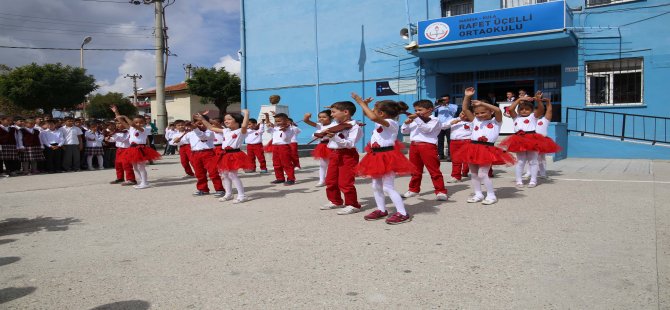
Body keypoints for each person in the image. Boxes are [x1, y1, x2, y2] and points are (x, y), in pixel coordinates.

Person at [352, 93, 415, 224]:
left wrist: (360, 102)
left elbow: (372, 116)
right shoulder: (381, 120)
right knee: (376, 185)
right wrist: (367, 106)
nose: (372, 113)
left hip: (388, 156)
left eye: (375, 110)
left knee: (388, 187)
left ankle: (403, 213)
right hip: (376, 156)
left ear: (381, 113)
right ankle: (382, 210)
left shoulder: (391, 122)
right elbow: (369, 115)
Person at [457, 87, 516, 205]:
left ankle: (491, 195)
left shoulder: (496, 121)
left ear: (491, 112)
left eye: (483, 112)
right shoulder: (475, 120)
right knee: (473, 174)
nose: (480, 115)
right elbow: (464, 108)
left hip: (486, 149)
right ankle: (478, 194)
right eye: (477, 113)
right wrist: (467, 96)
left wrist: (482, 103)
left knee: (482, 174)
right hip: (472, 148)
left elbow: (498, 111)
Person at [501, 91, 560, 188]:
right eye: (522, 109)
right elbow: (511, 109)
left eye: (527, 109)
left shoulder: (533, 116)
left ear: (532, 111)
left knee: (533, 161)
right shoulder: (516, 117)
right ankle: (519, 180)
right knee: (520, 162)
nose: (524, 111)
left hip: (532, 139)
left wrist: (538, 100)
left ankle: (533, 180)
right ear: (518, 110)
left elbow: (541, 110)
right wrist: (520, 99)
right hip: (519, 139)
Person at [319, 101, 363, 215]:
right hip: (334, 153)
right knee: (330, 179)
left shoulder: (355, 126)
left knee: (345, 181)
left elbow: (350, 144)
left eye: (333, 112)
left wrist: (334, 138)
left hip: (348, 154)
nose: (331, 115)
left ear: (346, 112)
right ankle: (336, 201)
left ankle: (353, 204)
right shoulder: (335, 124)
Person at [199, 110, 253, 203]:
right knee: (224, 175)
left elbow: (244, 125)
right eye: (225, 119)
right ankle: (228, 194)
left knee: (232, 174)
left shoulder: (241, 131)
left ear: (237, 120)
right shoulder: (226, 130)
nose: (226, 121)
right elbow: (211, 128)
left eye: (229, 119)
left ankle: (242, 195)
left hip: (234, 154)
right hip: (225, 154)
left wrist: (247, 114)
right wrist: (202, 119)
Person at [400, 100, 448, 201]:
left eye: (420, 110)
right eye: (415, 110)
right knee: (415, 170)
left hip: (428, 146)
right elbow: (404, 131)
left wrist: (417, 119)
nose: (416, 112)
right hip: (414, 146)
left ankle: (440, 191)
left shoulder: (435, 120)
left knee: (434, 170)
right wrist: (406, 123)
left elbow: (427, 129)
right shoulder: (416, 119)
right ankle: (413, 189)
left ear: (430, 109)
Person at [111, 105, 161, 189]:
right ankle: (143, 181)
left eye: (141, 122)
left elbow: (132, 124)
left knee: (141, 167)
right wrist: (116, 112)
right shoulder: (131, 129)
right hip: (132, 149)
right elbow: (121, 120)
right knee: (135, 167)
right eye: (137, 122)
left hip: (140, 148)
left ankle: (144, 183)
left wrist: (125, 116)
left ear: (145, 123)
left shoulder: (144, 129)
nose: (139, 124)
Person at [177, 115, 225, 197]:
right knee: (199, 173)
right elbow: (181, 142)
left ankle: (219, 189)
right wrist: (178, 139)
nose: (201, 125)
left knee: (213, 172)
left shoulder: (209, 132)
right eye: (198, 123)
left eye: (203, 123)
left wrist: (195, 128)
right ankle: (203, 189)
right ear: (194, 123)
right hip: (195, 154)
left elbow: (203, 137)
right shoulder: (190, 133)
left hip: (208, 153)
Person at [303, 110, 336, 187]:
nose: (321, 119)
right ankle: (322, 180)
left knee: (333, 164)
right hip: (323, 146)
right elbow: (306, 121)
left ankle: (333, 179)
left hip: (333, 145)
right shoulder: (319, 125)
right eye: (320, 117)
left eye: (324, 117)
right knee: (323, 164)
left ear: (331, 117)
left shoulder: (335, 124)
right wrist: (307, 116)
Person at [266, 112, 296, 185]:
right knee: (276, 163)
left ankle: (291, 179)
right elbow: (268, 127)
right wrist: (268, 122)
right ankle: (280, 178)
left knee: (286, 163)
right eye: (276, 121)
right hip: (275, 147)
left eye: (279, 121)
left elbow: (286, 137)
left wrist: (285, 129)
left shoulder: (290, 129)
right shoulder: (275, 128)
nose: (277, 123)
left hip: (284, 147)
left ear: (286, 121)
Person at [107, 121, 136, 185]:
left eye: (120, 123)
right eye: (117, 123)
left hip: (126, 149)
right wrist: (109, 139)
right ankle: (120, 178)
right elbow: (115, 140)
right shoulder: (117, 132)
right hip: (119, 149)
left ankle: (131, 179)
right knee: (118, 164)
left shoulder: (128, 131)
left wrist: (113, 134)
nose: (117, 125)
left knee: (126, 165)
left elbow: (122, 139)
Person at [447, 112, 472, 183]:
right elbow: (442, 126)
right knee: (455, 159)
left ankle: (465, 171)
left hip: (466, 141)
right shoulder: (453, 120)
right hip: (454, 142)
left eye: (465, 114)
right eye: (461, 113)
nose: (462, 115)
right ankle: (456, 176)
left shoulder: (473, 121)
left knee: (466, 159)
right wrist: (451, 123)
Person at [434, 94, 458, 161]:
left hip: (450, 125)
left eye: (445, 99)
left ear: (449, 99)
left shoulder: (453, 106)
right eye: (443, 99)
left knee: (450, 141)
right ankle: (441, 155)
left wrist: (446, 106)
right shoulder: (439, 106)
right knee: (440, 141)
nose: (444, 101)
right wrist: (436, 104)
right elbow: (432, 110)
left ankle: (450, 155)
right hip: (440, 125)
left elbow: (454, 111)